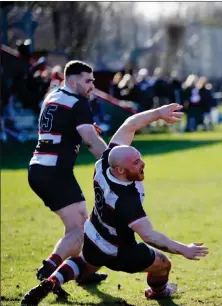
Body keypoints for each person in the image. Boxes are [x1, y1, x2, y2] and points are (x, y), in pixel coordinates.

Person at [21, 104, 210, 305]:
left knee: (84, 263)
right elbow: (149, 236)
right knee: (163, 264)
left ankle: (51, 281)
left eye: (139, 158)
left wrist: (157, 113)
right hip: (120, 251)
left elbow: (130, 125)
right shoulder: (125, 199)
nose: (142, 163)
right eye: (135, 163)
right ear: (120, 170)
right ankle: (158, 292)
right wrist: (184, 249)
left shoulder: (105, 163)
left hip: (94, 234)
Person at [28, 60, 109, 292]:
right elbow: (91, 141)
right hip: (55, 172)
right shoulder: (78, 102)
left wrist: (83, 128)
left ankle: (77, 274)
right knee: (81, 230)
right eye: (88, 81)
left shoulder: (52, 96)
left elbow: (63, 128)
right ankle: (48, 272)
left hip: (40, 168)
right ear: (72, 81)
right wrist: (113, 163)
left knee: (79, 225)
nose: (92, 85)